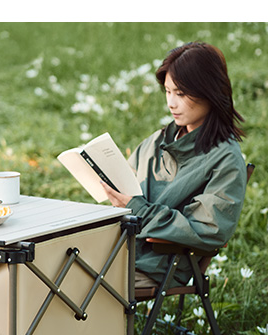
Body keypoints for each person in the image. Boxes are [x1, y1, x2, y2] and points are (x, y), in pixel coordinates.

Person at [101, 41, 247, 288]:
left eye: (180, 94)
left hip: (158, 265)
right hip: (116, 252)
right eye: (168, 92)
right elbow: (125, 188)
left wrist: (137, 209)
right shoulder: (158, 141)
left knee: (65, 285)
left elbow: (207, 230)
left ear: (210, 92)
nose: (171, 103)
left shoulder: (226, 159)